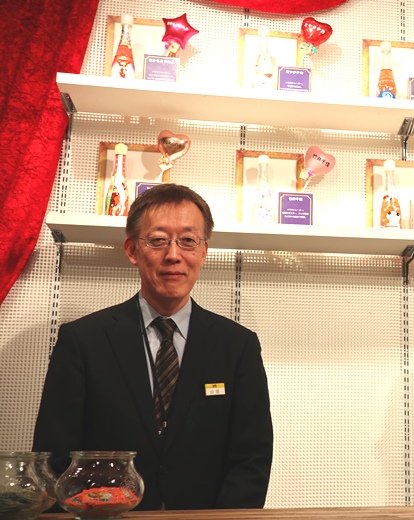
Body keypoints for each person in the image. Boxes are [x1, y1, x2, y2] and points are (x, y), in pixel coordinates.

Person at [33, 183, 273, 510]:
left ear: (203, 251)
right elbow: (53, 459)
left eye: (188, 240)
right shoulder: (82, 340)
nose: (174, 255)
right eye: (158, 240)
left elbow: (252, 458)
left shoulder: (237, 345)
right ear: (132, 250)